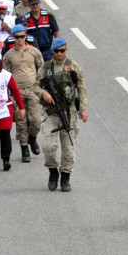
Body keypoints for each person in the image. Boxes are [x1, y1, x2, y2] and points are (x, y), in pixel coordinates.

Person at [34, 37, 88, 192]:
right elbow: (34, 86)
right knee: (49, 147)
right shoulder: (46, 68)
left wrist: (83, 109)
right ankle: (53, 172)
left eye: (62, 51)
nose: (59, 54)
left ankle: (65, 177)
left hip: (69, 112)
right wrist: (43, 93)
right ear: (52, 52)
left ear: (66, 49)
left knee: (69, 149)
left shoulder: (73, 67)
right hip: (51, 113)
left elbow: (81, 88)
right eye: (56, 51)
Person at [3, 25, 43, 163]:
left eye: (22, 36)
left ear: (26, 36)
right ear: (13, 38)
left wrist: (41, 87)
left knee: (36, 120)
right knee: (21, 121)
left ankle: (33, 137)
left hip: (32, 89)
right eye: (17, 37)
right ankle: (24, 148)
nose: (20, 39)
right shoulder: (9, 55)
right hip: (17, 91)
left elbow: (41, 69)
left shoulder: (34, 52)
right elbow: (6, 75)